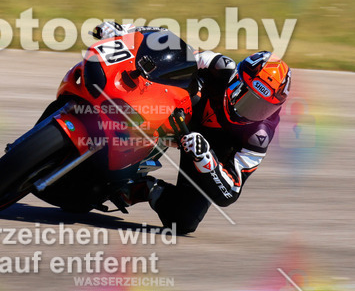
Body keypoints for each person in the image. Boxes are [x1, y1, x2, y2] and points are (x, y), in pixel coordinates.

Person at [93, 21, 292, 234]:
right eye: (246, 98)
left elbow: (231, 191)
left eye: (263, 108)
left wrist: (206, 159)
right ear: (236, 79)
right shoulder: (219, 66)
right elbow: (173, 48)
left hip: (211, 145)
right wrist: (127, 34)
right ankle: (107, 116)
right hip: (184, 109)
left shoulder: (258, 137)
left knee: (183, 220)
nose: (250, 111)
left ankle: (139, 187)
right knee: (165, 75)